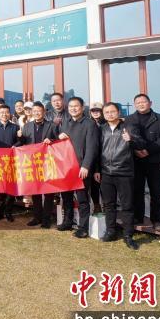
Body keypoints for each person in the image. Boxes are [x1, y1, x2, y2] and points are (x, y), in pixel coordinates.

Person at [97, 102, 143, 250]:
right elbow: (96, 150)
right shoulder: (101, 129)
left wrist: (131, 139)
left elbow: (142, 144)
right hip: (106, 172)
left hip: (124, 172)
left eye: (112, 111)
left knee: (127, 205)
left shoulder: (128, 127)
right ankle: (110, 231)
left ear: (118, 112)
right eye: (107, 112)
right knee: (108, 204)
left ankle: (128, 235)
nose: (110, 114)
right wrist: (97, 170)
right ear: (104, 115)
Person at [126, 93, 160, 232]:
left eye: (143, 102)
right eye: (138, 102)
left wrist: (148, 151)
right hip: (136, 160)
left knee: (155, 191)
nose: (141, 104)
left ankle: (157, 220)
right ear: (135, 105)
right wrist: (135, 151)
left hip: (155, 160)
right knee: (137, 190)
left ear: (150, 103)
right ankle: (138, 217)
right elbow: (127, 138)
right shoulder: (129, 119)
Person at [56, 97, 100, 238]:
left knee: (82, 199)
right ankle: (67, 222)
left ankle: (83, 227)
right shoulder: (66, 122)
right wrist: (59, 137)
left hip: (81, 167)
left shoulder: (89, 124)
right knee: (66, 197)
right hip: (66, 167)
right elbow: (61, 144)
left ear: (82, 107)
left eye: (76, 106)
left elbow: (92, 147)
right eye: (71, 106)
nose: (73, 108)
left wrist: (86, 166)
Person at [21, 102, 59, 228]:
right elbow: (23, 143)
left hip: (48, 163)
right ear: (32, 112)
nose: (37, 113)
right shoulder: (27, 126)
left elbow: (59, 142)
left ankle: (46, 219)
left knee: (48, 192)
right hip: (33, 163)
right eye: (35, 111)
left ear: (44, 112)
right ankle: (37, 217)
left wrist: (52, 141)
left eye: (39, 110)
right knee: (35, 191)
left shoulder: (52, 125)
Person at [0, 104, 22, 222]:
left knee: (10, 187)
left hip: (12, 161)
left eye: (6, 112)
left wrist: (17, 142)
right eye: (2, 112)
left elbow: (21, 142)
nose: (4, 114)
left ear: (10, 114)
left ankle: (8, 212)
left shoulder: (15, 127)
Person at [89, 101, 106, 213]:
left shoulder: (106, 124)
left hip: (105, 156)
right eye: (93, 111)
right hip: (93, 157)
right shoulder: (88, 123)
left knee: (104, 185)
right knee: (94, 184)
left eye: (98, 111)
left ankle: (107, 206)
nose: (95, 112)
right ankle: (96, 205)